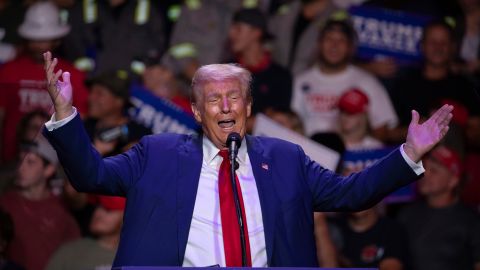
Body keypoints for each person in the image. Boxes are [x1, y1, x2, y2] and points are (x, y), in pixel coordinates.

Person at [42, 50, 453, 267]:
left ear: (249, 106)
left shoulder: (288, 158)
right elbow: (89, 174)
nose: (225, 105)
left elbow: (350, 194)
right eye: (213, 98)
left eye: (234, 96)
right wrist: (65, 116)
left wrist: (409, 153)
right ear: (198, 112)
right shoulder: (157, 153)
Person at [0, 1, 88, 164]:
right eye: (34, 39)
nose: (38, 45)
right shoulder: (9, 71)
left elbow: (81, 121)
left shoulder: (73, 75)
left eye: (44, 39)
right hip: (12, 158)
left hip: (58, 160)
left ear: (57, 40)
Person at [291, 17, 398, 139]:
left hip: (351, 155)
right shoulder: (300, 81)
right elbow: (290, 126)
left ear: (350, 47)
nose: (334, 45)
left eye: (341, 40)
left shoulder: (367, 82)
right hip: (308, 154)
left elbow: (382, 130)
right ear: (319, 44)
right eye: (329, 39)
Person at [0, 134, 80, 270]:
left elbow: (75, 253)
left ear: (49, 169)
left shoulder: (61, 208)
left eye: (30, 162)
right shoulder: (5, 202)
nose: (21, 168)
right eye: (20, 161)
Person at [398, 145, 480, 270]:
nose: (425, 174)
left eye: (434, 170)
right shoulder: (406, 214)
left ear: (453, 180)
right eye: (423, 167)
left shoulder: (471, 220)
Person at [62, 0, 165, 74]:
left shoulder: (148, 7)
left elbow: (158, 46)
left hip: (134, 85)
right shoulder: (82, 8)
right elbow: (70, 47)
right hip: (91, 84)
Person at [228, 8, 293, 116]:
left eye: (238, 29)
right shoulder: (226, 72)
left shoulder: (280, 76)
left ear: (256, 33)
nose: (231, 34)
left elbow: (280, 120)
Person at [46, 195, 126, 270]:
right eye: (97, 206)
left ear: (127, 216)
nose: (97, 213)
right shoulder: (71, 252)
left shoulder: (134, 258)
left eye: (108, 209)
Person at [268, 0, 338, 75]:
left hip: (312, 81)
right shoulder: (289, 8)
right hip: (278, 78)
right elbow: (267, 31)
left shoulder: (335, 16)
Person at [333, 206, 409, 269]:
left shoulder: (392, 229)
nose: (358, 199)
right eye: (352, 193)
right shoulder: (334, 228)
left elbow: (392, 266)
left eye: (363, 192)